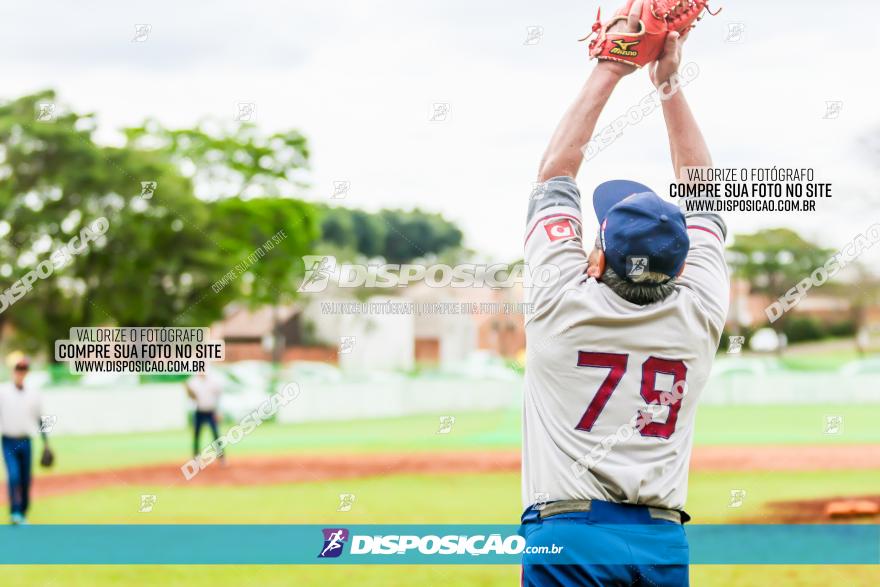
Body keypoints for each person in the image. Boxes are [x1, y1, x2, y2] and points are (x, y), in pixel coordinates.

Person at [520, 5, 728, 586]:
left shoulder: (560, 303)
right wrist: (670, 86)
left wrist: (612, 67)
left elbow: (555, 173)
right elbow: (706, 194)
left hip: (570, 539)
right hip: (662, 543)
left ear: (596, 256)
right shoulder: (700, 313)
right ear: (685, 263)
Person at [0, 356, 49, 525]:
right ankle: (14, 512)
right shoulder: (3, 391)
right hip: (8, 440)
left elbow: (41, 419)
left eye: (23, 370)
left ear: (26, 372)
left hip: (26, 441)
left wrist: (47, 443)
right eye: (18, 369)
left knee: (26, 479)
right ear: (13, 371)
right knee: (13, 476)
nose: (20, 373)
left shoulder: (33, 393)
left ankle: (23, 511)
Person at [184, 368, 224, 463]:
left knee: (216, 434)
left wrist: (219, 411)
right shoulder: (193, 382)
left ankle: (222, 457)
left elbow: (218, 397)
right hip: (199, 411)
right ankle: (196, 457)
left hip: (211, 411)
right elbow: (192, 398)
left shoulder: (213, 382)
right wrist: (188, 391)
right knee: (196, 435)